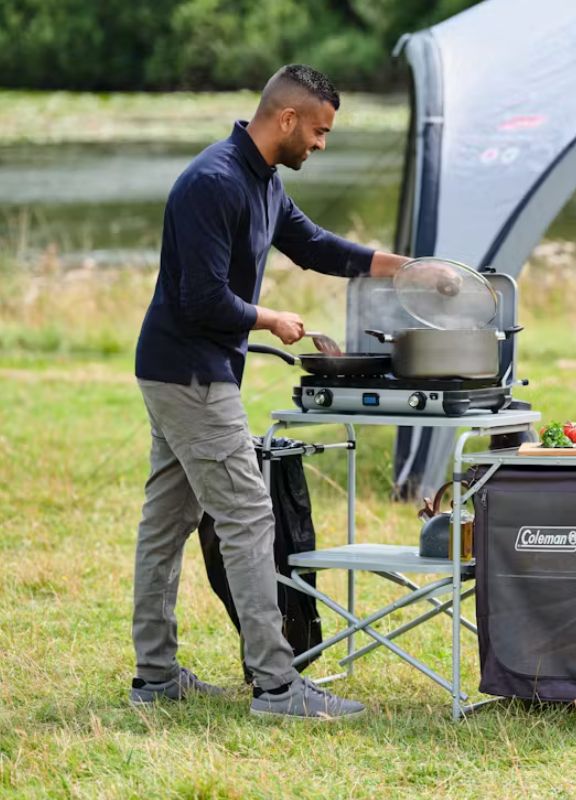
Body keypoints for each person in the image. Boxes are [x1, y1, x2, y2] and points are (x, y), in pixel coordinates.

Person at [131, 65, 410, 720]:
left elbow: (309, 245)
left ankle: (155, 674)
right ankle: (279, 686)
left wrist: (394, 266)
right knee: (249, 518)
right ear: (286, 120)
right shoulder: (212, 183)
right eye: (318, 130)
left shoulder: (262, 183)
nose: (320, 143)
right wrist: (272, 319)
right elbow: (202, 299)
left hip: (183, 368)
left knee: (166, 523)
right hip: (192, 371)